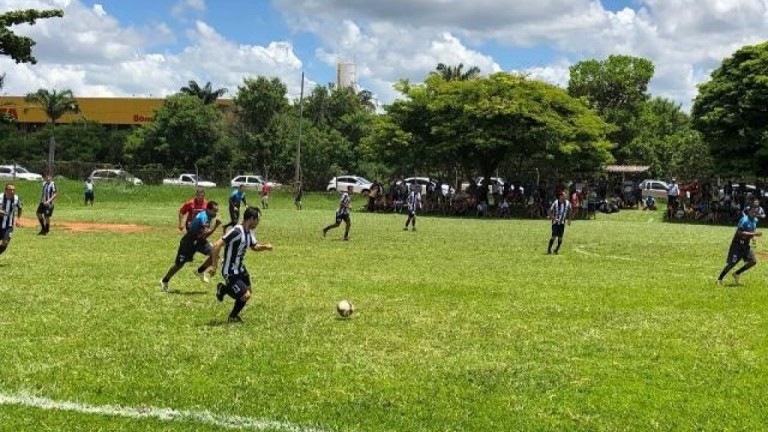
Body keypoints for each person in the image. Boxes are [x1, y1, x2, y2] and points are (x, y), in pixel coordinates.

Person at [208, 206, 273, 323]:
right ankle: (223, 289)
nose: (258, 222)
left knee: (248, 292)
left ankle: (232, 315)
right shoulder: (236, 231)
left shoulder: (249, 232)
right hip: (230, 270)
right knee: (245, 295)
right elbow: (217, 245)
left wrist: (265, 247)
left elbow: (254, 246)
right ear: (251, 219)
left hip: (240, 268)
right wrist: (214, 265)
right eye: (258, 219)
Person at [160, 201, 221, 292]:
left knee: (214, 254)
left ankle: (200, 271)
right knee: (179, 265)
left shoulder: (206, 215)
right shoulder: (204, 217)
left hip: (199, 241)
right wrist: (216, 226)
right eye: (214, 211)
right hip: (188, 242)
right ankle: (164, 281)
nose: (215, 213)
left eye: (216, 211)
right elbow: (205, 235)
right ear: (208, 209)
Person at [717, 205, 762, 285]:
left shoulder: (755, 220)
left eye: (756, 212)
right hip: (737, 245)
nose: (754, 213)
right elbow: (740, 233)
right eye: (753, 211)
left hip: (746, 245)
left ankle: (737, 273)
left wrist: (753, 238)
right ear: (749, 211)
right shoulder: (744, 220)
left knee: (753, 261)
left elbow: (752, 230)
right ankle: (719, 279)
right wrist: (754, 234)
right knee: (732, 263)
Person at [0, 183, 22, 256]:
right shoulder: (0, 197)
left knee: (5, 242)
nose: (12, 191)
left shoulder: (17, 198)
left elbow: (20, 208)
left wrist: (18, 219)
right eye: (10, 189)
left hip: (9, 225)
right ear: (6, 190)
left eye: (13, 190)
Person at [547, 190, 572, 255]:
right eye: (564, 196)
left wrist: (569, 220)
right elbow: (549, 212)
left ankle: (557, 249)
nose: (565, 197)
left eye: (566, 196)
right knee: (554, 236)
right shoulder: (555, 202)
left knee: (560, 238)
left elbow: (570, 211)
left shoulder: (568, 203)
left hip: (562, 223)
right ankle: (549, 249)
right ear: (560, 196)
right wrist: (554, 218)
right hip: (555, 223)